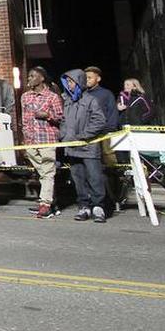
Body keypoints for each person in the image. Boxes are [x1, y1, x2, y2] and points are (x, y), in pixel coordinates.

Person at [59, 68, 109, 223]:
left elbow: (99, 121)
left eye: (71, 81)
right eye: (67, 81)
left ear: (79, 82)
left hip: (88, 148)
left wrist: (83, 136)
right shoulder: (67, 101)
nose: (68, 84)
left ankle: (98, 207)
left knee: (95, 178)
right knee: (78, 179)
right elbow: (63, 122)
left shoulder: (90, 100)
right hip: (73, 149)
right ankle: (83, 206)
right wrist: (64, 136)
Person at [20, 66, 64, 218]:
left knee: (48, 172)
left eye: (33, 76)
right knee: (44, 173)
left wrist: (47, 115)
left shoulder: (52, 97)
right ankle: (52, 202)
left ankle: (45, 204)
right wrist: (25, 140)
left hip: (47, 138)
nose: (29, 79)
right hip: (31, 140)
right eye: (29, 76)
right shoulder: (25, 97)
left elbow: (60, 117)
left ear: (42, 78)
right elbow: (24, 120)